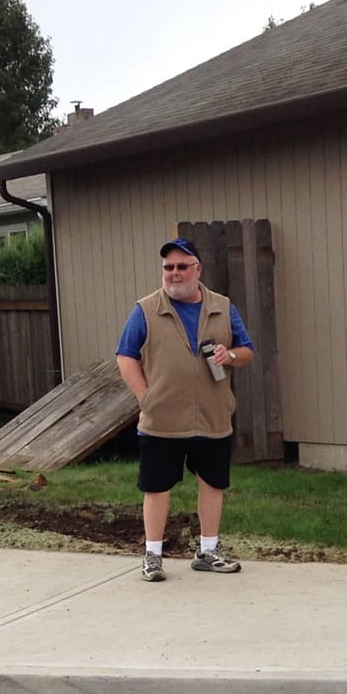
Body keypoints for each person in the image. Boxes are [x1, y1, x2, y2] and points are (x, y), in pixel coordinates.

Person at [113, 237, 256, 582]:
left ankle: (208, 551)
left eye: (181, 267)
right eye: (168, 268)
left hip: (212, 414)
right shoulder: (145, 309)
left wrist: (230, 356)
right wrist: (145, 397)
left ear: (197, 270)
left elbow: (247, 349)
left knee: (212, 483)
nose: (174, 274)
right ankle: (153, 556)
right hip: (162, 419)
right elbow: (125, 355)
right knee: (157, 487)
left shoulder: (222, 306)